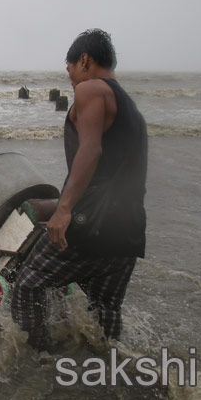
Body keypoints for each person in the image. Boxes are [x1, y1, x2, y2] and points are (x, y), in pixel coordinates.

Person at [11, 29, 147, 350]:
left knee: (27, 286)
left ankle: (39, 360)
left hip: (91, 221)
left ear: (84, 61)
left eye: (70, 68)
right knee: (105, 310)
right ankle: (108, 367)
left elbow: (90, 150)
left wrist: (64, 208)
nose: (70, 77)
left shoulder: (91, 89)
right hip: (129, 228)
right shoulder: (130, 108)